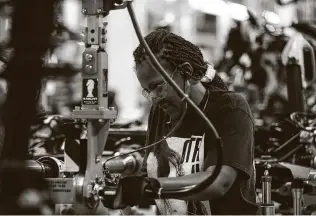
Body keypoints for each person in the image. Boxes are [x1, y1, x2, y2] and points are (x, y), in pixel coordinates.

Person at [132, 28, 258, 215]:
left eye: (158, 86)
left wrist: (151, 186)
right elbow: (152, 177)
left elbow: (218, 182)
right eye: (147, 91)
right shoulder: (160, 112)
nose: (154, 98)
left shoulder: (230, 108)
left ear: (186, 73)